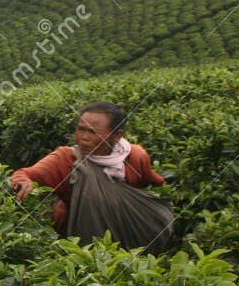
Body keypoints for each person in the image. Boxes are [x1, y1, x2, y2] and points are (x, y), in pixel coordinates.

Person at [11, 101, 173, 251]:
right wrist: (23, 182)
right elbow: (25, 173)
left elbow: (152, 181)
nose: (84, 137)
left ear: (117, 136)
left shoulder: (135, 156)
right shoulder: (66, 159)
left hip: (127, 231)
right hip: (82, 238)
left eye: (93, 132)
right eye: (81, 129)